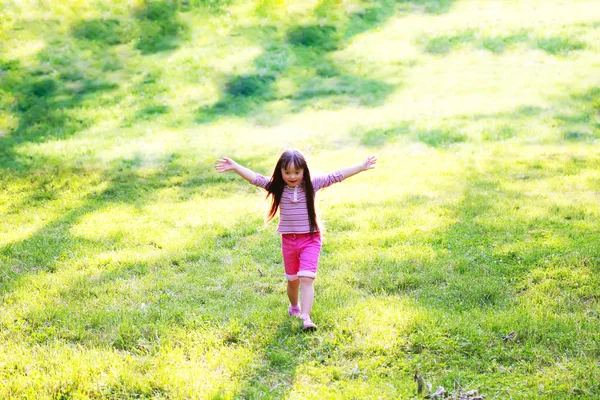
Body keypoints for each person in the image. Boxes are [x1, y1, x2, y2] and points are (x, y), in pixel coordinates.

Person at [215, 149, 376, 331]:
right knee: (293, 281)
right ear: (280, 171)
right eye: (287, 172)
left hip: (310, 239)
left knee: (306, 278)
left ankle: (306, 317)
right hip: (289, 241)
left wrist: (361, 167)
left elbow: (336, 175)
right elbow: (256, 178)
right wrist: (235, 167)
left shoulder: (311, 185)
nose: (292, 176)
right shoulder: (278, 187)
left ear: (304, 171)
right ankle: (294, 307)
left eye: (297, 172)